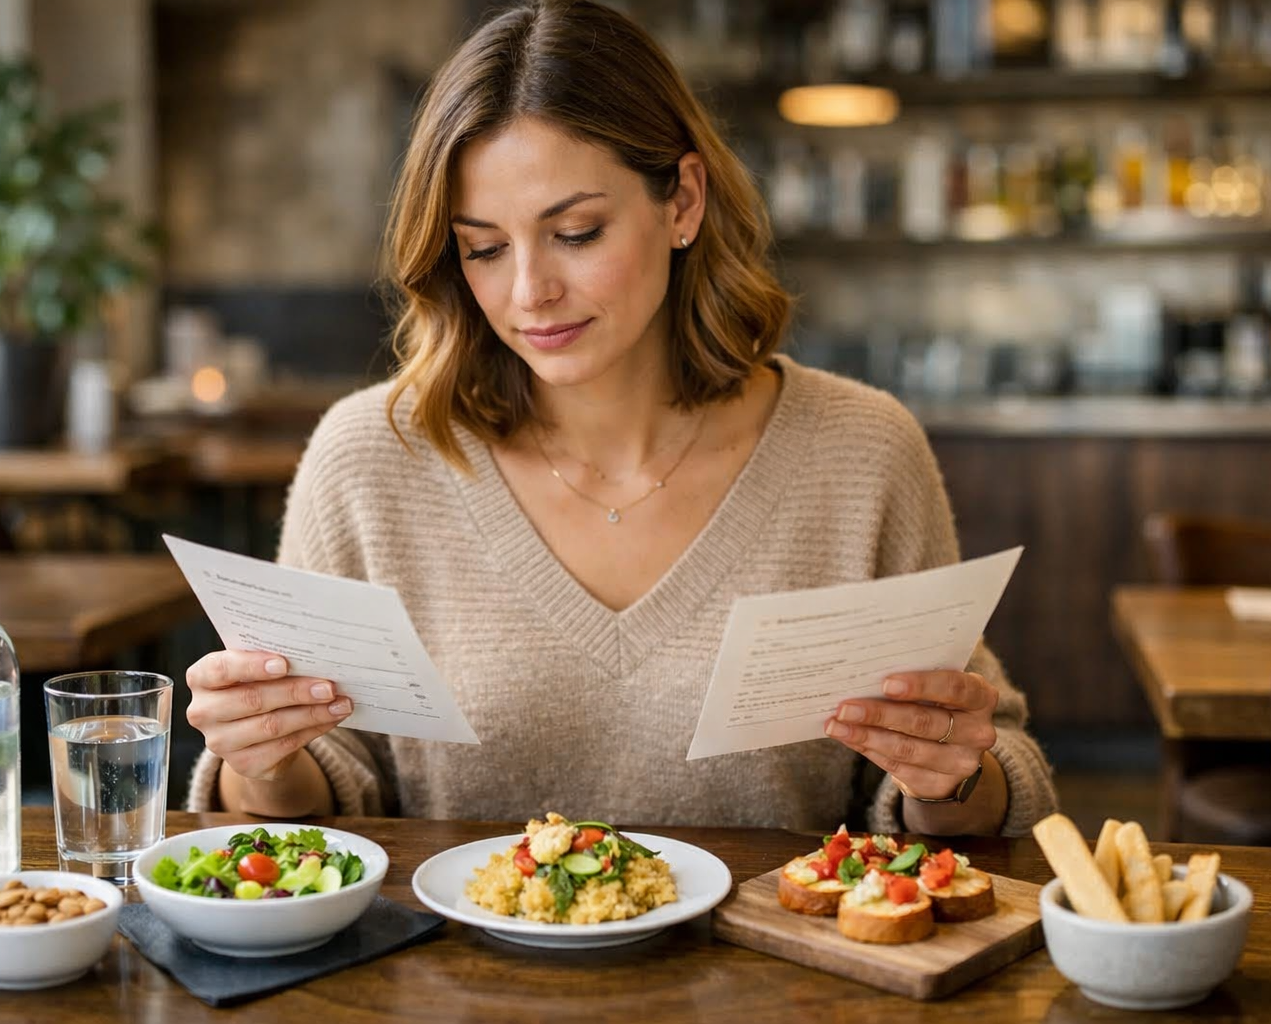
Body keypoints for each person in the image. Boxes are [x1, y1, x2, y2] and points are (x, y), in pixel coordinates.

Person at [183, 0, 1056, 835]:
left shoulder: (862, 453)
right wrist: (260, 761)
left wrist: (952, 776)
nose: (530, 291)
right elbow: (315, 804)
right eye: (483, 248)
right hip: (444, 950)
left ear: (683, 202)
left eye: (576, 233)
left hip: (777, 951)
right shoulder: (371, 459)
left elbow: (989, 772)